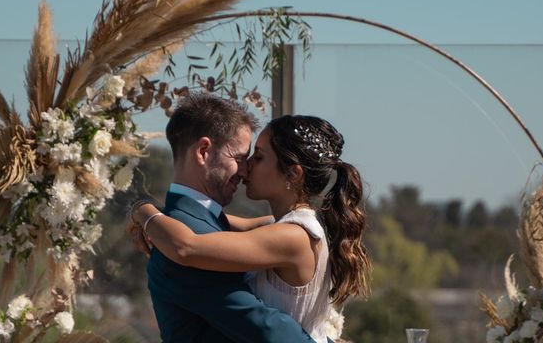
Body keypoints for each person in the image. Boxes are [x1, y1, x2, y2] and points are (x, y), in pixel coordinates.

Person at [131, 109, 371, 342]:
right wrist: (159, 216)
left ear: (292, 174)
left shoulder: (292, 235)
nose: (246, 168)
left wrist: (141, 209)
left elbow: (186, 246)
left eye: (258, 157)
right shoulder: (290, 225)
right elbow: (230, 224)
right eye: (241, 158)